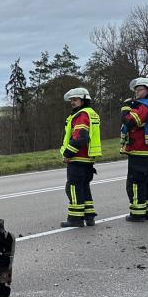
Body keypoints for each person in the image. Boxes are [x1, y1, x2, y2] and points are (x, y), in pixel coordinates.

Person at [121, 77, 148, 222]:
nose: (136, 93)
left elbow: (129, 121)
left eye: (139, 90)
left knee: (135, 183)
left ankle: (137, 213)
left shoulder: (143, 106)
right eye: (136, 90)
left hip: (140, 150)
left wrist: (126, 108)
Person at [58, 87, 101, 227]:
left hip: (78, 157)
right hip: (88, 158)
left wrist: (67, 154)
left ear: (84, 100)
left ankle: (75, 219)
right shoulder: (91, 113)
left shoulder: (81, 115)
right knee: (84, 187)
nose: (72, 102)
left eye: (75, 99)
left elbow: (80, 139)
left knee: (73, 188)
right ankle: (89, 217)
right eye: (71, 100)